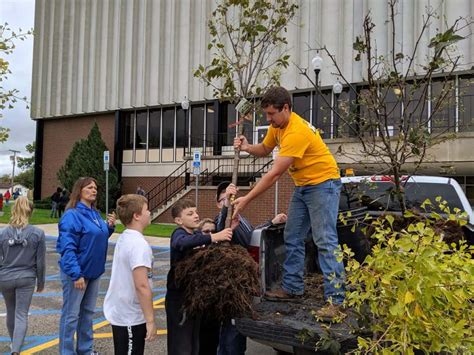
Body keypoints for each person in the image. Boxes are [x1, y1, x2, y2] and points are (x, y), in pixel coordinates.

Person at [232, 86, 345, 321]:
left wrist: (246, 199)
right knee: (292, 235)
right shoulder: (279, 126)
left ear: (286, 108)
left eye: (272, 114)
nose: (268, 119)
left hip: (324, 184)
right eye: (266, 114)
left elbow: (274, 175)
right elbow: (264, 149)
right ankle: (292, 288)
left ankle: (336, 301)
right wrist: (245, 147)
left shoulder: (297, 131)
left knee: (324, 240)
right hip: (303, 186)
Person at [215, 182, 287, 355]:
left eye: (232, 198)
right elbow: (220, 231)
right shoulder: (223, 221)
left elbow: (252, 236)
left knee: (236, 327)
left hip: (244, 281)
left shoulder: (241, 219)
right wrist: (226, 208)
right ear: (219, 203)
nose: (230, 202)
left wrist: (272, 222)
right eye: (225, 199)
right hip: (232, 283)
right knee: (232, 328)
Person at [56, 177, 116, 354]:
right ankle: (67, 351)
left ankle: (85, 349)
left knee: (87, 314)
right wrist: (76, 274)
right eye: (89, 187)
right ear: (79, 191)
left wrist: (109, 228)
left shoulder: (95, 214)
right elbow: (67, 248)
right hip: (77, 274)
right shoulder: (72, 215)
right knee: (71, 315)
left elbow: (97, 237)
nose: (94, 190)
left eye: (95, 188)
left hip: (94, 272)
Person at [166, 199, 232, 355]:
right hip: (179, 300)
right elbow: (181, 243)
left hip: (194, 298)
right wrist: (214, 237)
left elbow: (213, 229)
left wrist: (227, 203)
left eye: (196, 212)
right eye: (190, 213)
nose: (196, 216)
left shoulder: (196, 234)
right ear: (178, 220)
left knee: (194, 344)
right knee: (181, 345)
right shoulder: (179, 234)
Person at [104, 194, 157, 355]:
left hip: (124, 311)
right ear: (137, 215)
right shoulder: (138, 244)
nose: (150, 213)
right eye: (147, 210)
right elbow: (141, 285)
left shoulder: (126, 236)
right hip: (130, 316)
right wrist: (150, 320)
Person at [0, 197, 46, 354]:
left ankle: (14, 343)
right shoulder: (38, 233)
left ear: (13, 210)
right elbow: (40, 262)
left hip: (5, 277)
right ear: (30, 212)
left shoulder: (3, 233)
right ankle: (16, 350)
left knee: (11, 311)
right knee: (21, 314)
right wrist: (41, 282)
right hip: (26, 277)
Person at [196, 218, 220, 355]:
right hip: (199, 307)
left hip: (214, 307)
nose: (210, 234)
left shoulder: (219, 251)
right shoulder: (195, 251)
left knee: (212, 342)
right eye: (206, 231)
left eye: (213, 231)